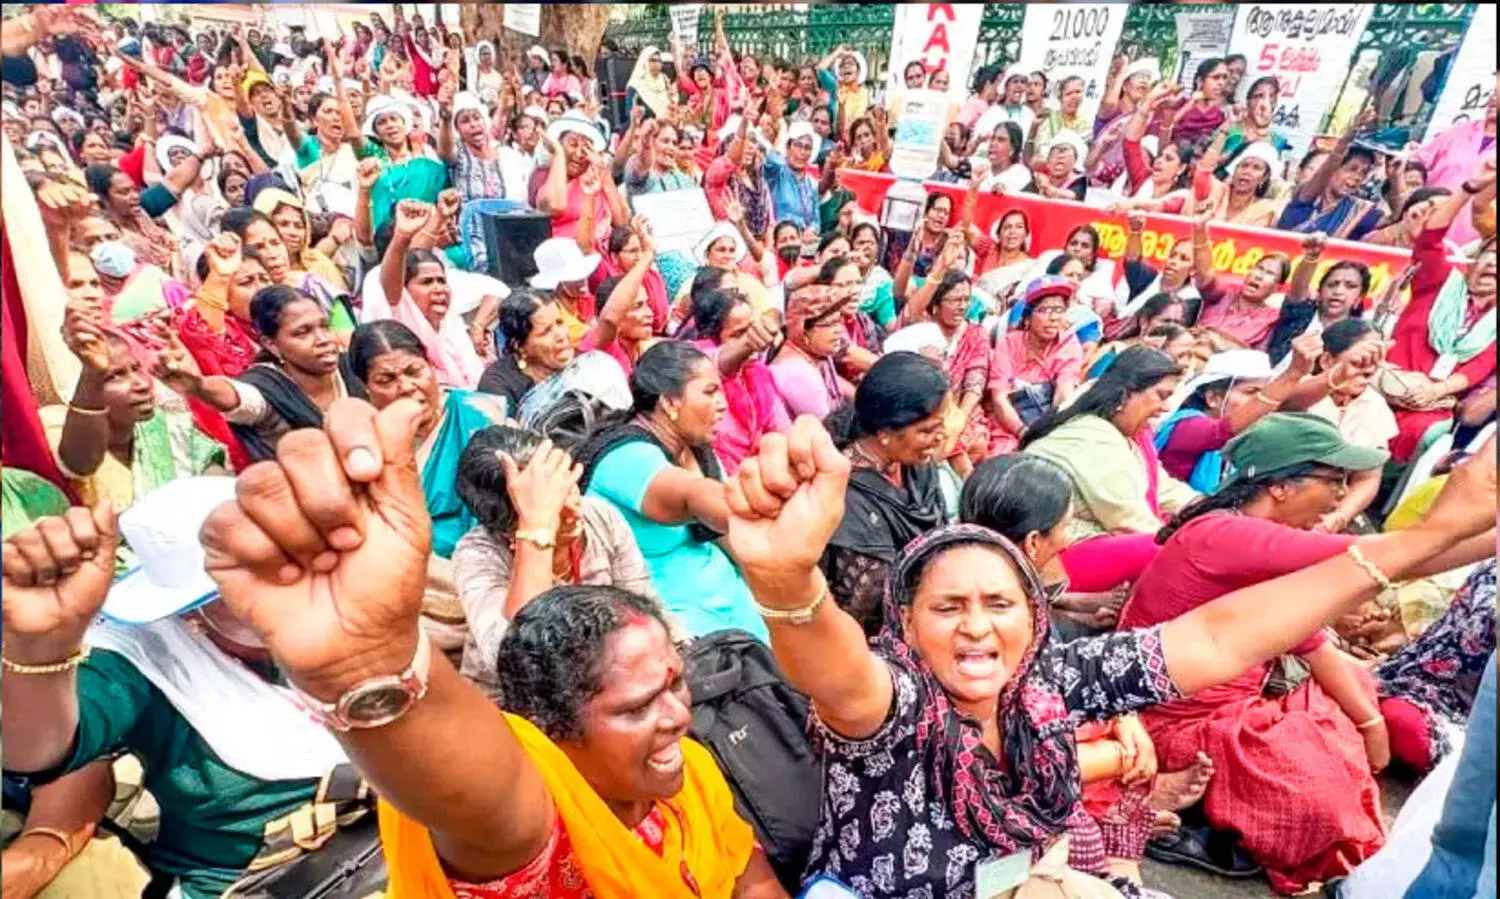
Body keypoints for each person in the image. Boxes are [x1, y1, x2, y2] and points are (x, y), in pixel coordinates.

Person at [717, 409, 1496, 898]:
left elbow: (1221, 634)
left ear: (1033, 614)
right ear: (907, 626)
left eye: (999, 603)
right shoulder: (897, 702)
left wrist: (1416, 543)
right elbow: (835, 671)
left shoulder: (1051, 680)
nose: (976, 627)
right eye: (947, 607)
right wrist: (787, 582)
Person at [1121, 413, 1495, 894]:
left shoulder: (1250, 533)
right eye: (1333, 480)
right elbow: (1390, 560)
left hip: (1231, 707)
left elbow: (1323, 623)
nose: (1343, 494)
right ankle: (1220, 818)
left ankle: (1234, 811)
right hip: (1172, 724)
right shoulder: (1228, 535)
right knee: (1317, 795)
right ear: (1280, 487)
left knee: (1352, 694)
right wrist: (1372, 725)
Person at [958, 454, 1213, 885]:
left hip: (1024, 743)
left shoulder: (998, 578)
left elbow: (1065, 672)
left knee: (1120, 726)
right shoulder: (986, 623)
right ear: (1034, 542)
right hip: (986, 786)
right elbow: (1002, 757)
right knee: (1084, 835)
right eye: (1066, 526)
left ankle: (1124, 830)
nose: (1070, 538)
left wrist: (1124, 716)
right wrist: (1119, 756)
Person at [576, 341, 767, 642]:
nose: (722, 403)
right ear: (669, 403)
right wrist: (763, 506)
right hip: (670, 622)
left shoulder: (697, 450)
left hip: (729, 600)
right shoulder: (625, 458)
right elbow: (691, 496)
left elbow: (730, 538)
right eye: (709, 392)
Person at [451, 424, 654, 694]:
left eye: (567, 485)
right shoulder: (478, 554)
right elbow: (520, 663)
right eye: (553, 504)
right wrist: (539, 535)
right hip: (517, 702)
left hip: (610, 678)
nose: (574, 507)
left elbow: (644, 611)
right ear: (506, 529)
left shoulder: (600, 518)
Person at [820, 352, 951, 635]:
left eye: (941, 424)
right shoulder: (845, 497)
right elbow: (866, 611)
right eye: (928, 430)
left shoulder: (915, 465)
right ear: (884, 432)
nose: (941, 437)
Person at [156, 285, 365, 462]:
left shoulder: (352, 367)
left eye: (324, 326)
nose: (323, 339)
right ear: (271, 344)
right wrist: (199, 386)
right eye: (303, 332)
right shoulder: (267, 387)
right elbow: (235, 396)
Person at [48, 306, 226, 511]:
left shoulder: (166, 428)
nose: (140, 384)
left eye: (135, 369)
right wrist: (93, 371)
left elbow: (213, 478)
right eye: (114, 376)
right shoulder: (56, 427)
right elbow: (80, 464)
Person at [1382, 164, 1497, 463]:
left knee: (1432, 431)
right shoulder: (1440, 280)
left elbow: (1478, 368)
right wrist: (1469, 188)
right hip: (1385, 383)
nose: (1494, 266)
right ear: (1475, 259)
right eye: (1491, 256)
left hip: (1430, 402)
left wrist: (1435, 391)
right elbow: (1431, 237)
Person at [1023, 346, 1196, 543]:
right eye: (1161, 396)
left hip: (1085, 539)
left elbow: (1163, 489)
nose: (1166, 407)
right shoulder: (1093, 436)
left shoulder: (1131, 438)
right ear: (1125, 395)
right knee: (1158, 548)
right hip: (1053, 546)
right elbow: (1130, 519)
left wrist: (1206, 508)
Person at [1154, 336, 1321, 494]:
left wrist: (1335, 374)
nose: (1261, 403)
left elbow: (1290, 402)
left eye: (1264, 393)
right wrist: (1294, 373)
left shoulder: (1244, 437)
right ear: (1214, 398)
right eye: (1251, 392)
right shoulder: (1188, 426)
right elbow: (1223, 431)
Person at [687, 287, 788, 474]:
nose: (752, 339)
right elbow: (720, 361)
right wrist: (748, 342)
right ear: (711, 337)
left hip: (762, 472)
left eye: (752, 329)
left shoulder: (758, 372)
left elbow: (782, 430)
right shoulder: (697, 366)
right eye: (737, 334)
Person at [988, 276, 1086, 454]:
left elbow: (1063, 396)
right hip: (1007, 424)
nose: (1053, 318)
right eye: (1044, 310)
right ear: (1027, 317)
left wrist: (1044, 435)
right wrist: (1023, 433)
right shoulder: (1009, 344)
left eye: (1059, 310)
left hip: (1046, 424)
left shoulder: (1069, 345)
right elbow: (999, 399)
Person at [1278, 109, 1384, 241]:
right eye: (1352, 168)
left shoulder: (1357, 211)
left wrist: (1396, 177)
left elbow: (1395, 220)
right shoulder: (1306, 197)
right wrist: (1346, 140)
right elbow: (1330, 164)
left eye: (1364, 173)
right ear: (1333, 169)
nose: (1358, 177)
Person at [1193, 213, 1291, 352]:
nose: (1259, 276)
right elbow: (1205, 274)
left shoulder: (1271, 318)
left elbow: (1257, 359)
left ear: (1277, 287)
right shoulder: (1224, 293)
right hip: (1192, 352)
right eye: (1259, 268)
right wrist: (1200, 231)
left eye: (1269, 273)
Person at [1266, 235, 1371, 365]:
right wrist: (1311, 257)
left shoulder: (1358, 335)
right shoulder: (1301, 314)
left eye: (1350, 286)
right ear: (1319, 292)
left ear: (1359, 297)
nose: (1338, 291)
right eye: (1332, 284)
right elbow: (1297, 291)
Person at [535, 111, 629, 252]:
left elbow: (622, 221)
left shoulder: (594, 180)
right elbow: (556, 205)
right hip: (569, 260)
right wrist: (559, 153)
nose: (579, 154)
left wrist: (604, 174)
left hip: (605, 259)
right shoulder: (543, 175)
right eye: (573, 144)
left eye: (585, 148)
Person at [1413, 91, 1496, 247]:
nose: (1494, 97)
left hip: (1475, 246)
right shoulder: (1458, 131)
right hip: (1426, 231)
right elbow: (1415, 165)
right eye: (1494, 92)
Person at [476, 289, 576, 415]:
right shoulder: (497, 385)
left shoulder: (581, 364)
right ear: (518, 345)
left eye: (559, 323)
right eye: (546, 331)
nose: (561, 335)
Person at [768, 283, 851, 420]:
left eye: (839, 322)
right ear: (804, 331)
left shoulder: (817, 354)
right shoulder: (798, 372)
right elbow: (827, 428)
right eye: (830, 324)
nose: (839, 330)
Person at [763, 121, 820, 231]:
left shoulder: (812, 183)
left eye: (807, 148)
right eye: (798, 145)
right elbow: (771, 159)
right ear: (788, 147)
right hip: (780, 236)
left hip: (805, 241)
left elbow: (816, 221)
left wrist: (811, 231)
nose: (802, 152)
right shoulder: (777, 172)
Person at [1169, 58, 1231, 149]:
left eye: (1224, 78)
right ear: (1200, 81)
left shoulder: (1219, 115)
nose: (1221, 83)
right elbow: (1167, 127)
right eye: (1216, 77)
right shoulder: (1180, 103)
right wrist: (1191, 103)